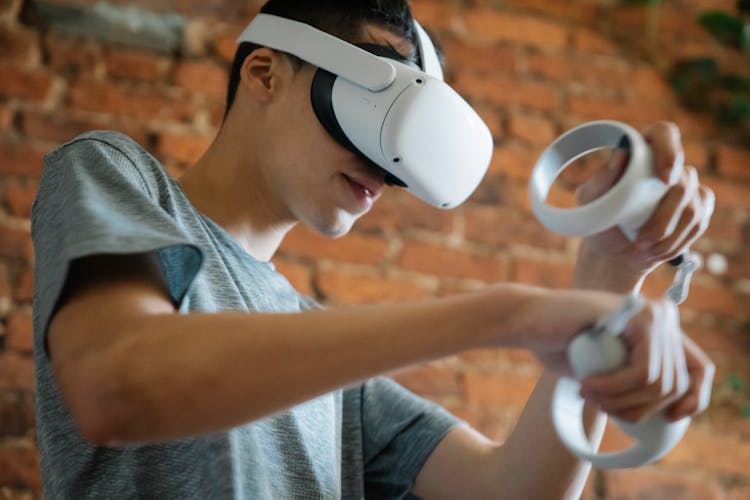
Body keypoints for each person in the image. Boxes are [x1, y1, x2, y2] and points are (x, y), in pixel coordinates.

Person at [31, 0, 716, 498]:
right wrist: (509, 312)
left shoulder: (325, 364)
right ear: (266, 74)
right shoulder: (117, 175)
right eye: (377, 109)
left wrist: (611, 272)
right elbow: (115, 384)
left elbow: (514, 492)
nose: (388, 173)